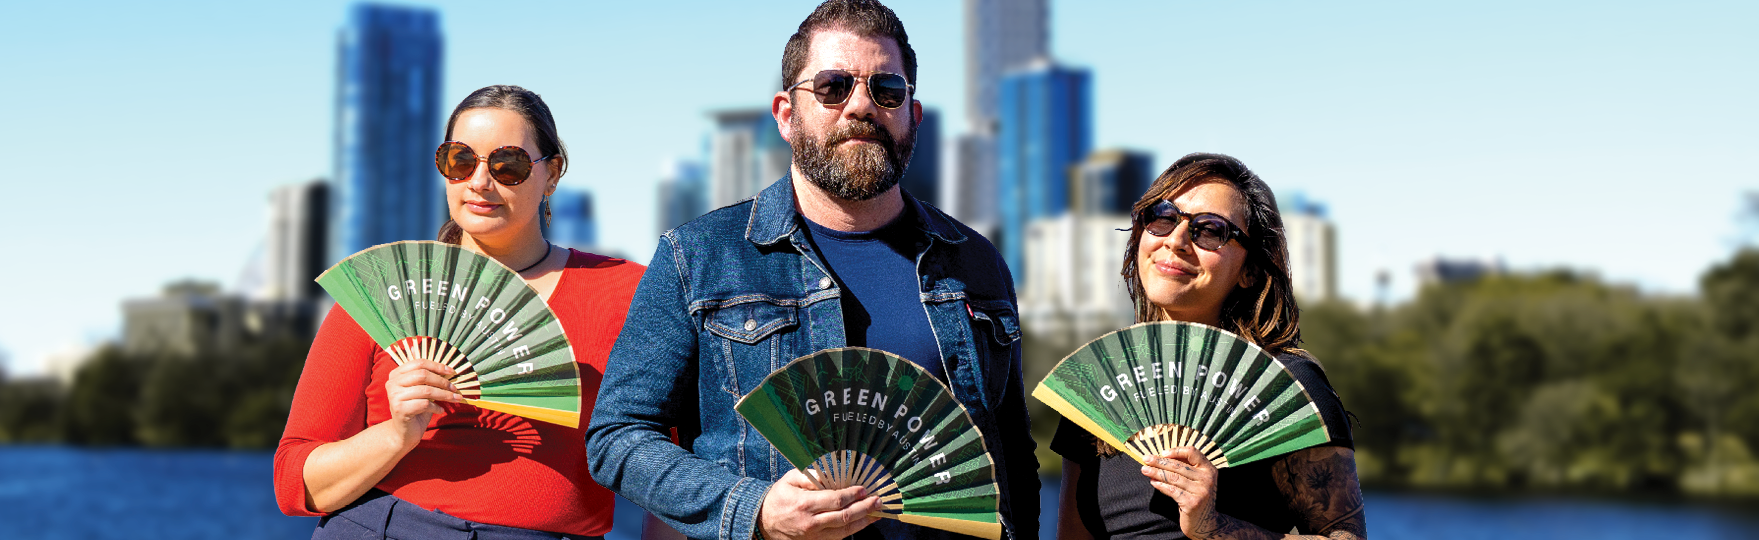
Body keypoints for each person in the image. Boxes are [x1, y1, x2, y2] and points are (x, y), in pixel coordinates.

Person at [584, 1, 1040, 540]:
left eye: (887, 89)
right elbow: (617, 436)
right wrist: (753, 510)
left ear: (913, 116)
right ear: (785, 113)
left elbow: (1008, 451)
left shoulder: (974, 261)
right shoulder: (699, 255)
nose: (861, 107)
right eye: (833, 86)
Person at [274, 85, 646, 540]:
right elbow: (296, 483)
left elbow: (680, 467)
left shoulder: (628, 291)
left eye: (509, 164)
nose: (479, 182)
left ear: (552, 174)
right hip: (381, 526)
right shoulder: (384, 290)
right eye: (460, 161)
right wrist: (397, 434)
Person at [1050, 153, 1366, 540]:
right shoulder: (1100, 380)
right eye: (1162, 216)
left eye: (1210, 230)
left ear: (1249, 269)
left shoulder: (1283, 383)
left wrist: (1214, 527)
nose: (1177, 241)